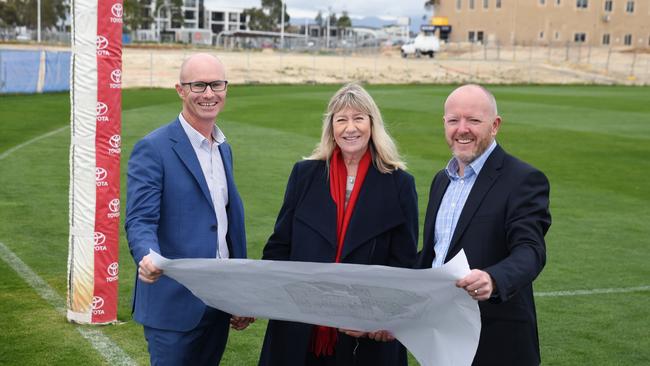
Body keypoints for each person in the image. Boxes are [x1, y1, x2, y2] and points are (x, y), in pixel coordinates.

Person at [258, 83, 418, 366]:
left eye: (359, 118)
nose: (350, 128)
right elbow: (279, 248)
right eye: (341, 119)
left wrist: (379, 318)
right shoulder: (304, 175)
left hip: (364, 334)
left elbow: (403, 265)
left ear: (372, 124)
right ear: (331, 127)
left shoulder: (399, 184)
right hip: (299, 329)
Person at [125, 53, 253, 366]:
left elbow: (225, 226)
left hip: (218, 302)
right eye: (198, 85)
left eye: (216, 85)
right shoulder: (153, 149)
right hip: (174, 303)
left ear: (226, 88)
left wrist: (240, 293)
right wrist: (148, 257)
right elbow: (140, 220)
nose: (208, 94)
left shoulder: (224, 148)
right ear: (181, 90)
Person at [415, 84, 551, 365]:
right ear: (445, 124)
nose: (462, 129)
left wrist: (493, 278)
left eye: (473, 120)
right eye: (454, 120)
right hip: (442, 336)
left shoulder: (523, 179)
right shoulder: (442, 180)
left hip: (496, 341)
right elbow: (434, 255)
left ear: (495, 125)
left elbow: (530, 250)